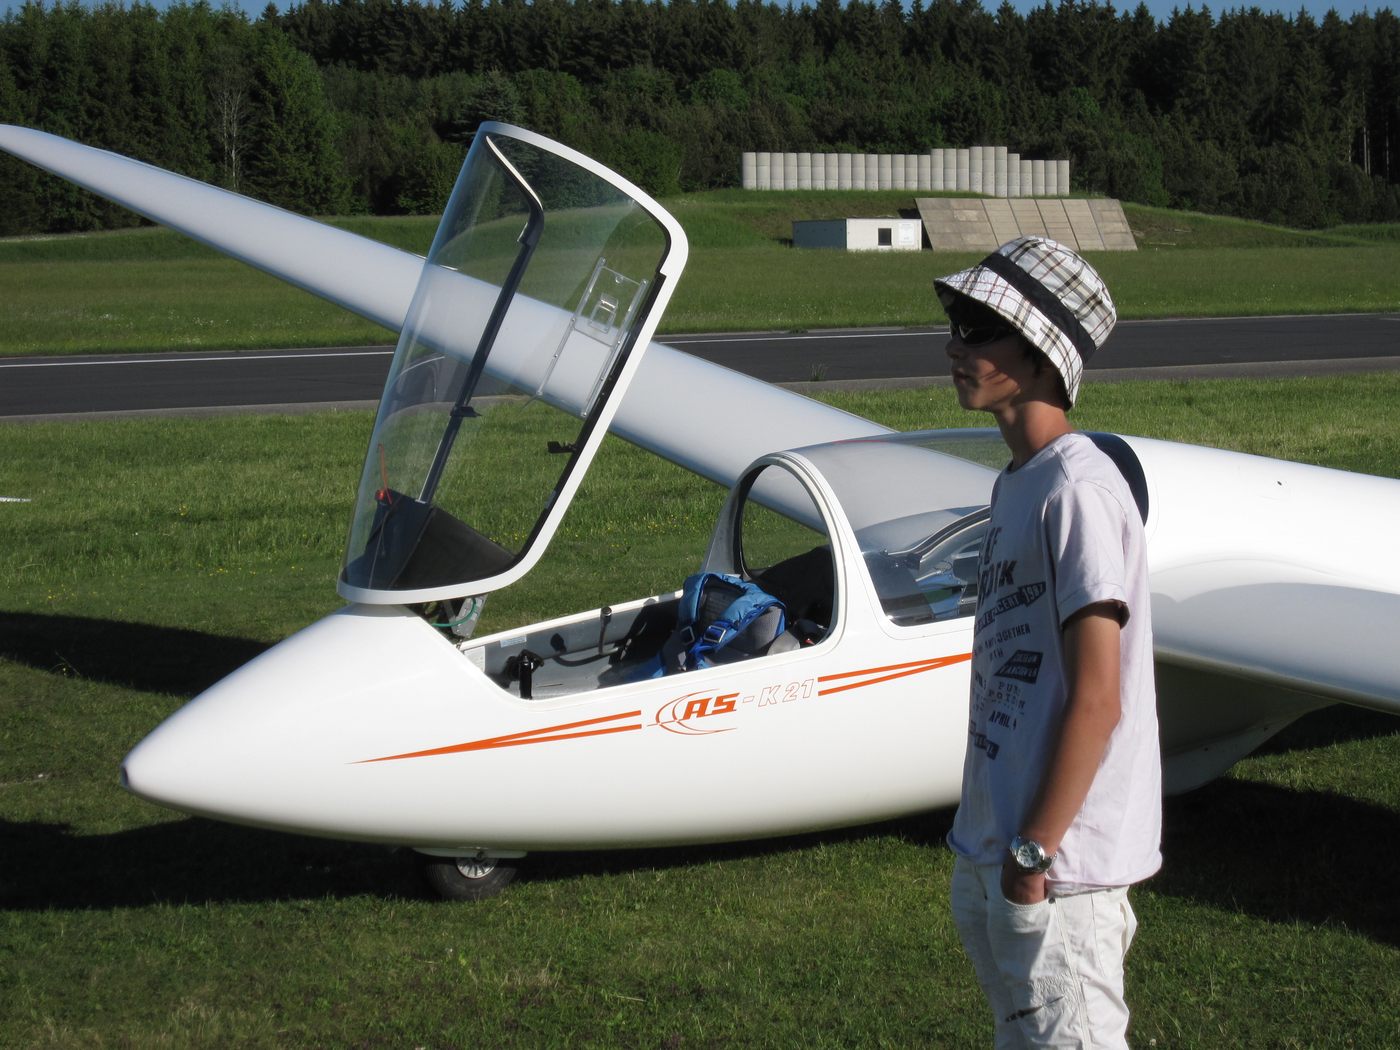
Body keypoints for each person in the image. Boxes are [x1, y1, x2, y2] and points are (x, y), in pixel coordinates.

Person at [935, 237, 1161, 1049]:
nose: (956, 347)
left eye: (979, 329)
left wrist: (1033, 855)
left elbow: (1099, 698)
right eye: (956, 325)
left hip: (1060, 871)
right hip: (999, 850)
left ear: (1040, 355)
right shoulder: (1017, 484)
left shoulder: (1078, 491)